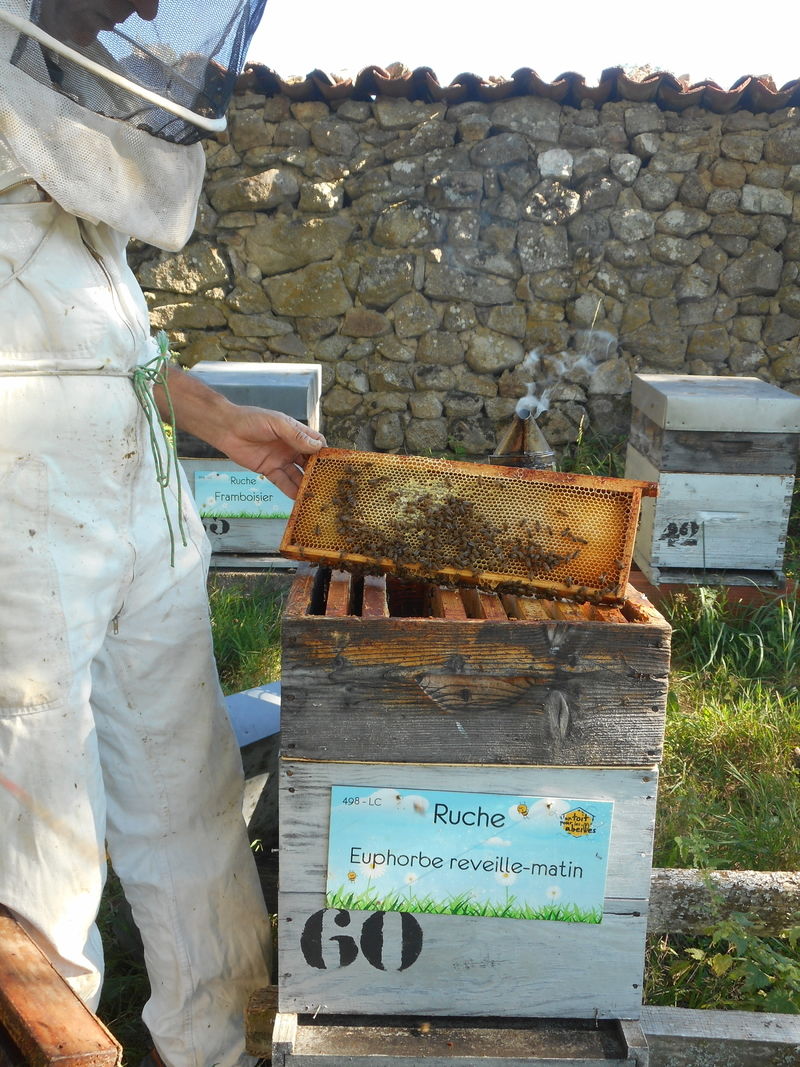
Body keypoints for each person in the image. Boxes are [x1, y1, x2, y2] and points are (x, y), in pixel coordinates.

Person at [0, 2, 325, 1065]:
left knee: (187, 781)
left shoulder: (64, 131)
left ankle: (217, 1044)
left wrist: (218, 418)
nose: (147, 14)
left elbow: (97, 341)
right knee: (40, 819)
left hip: (137, 484)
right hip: (19, 492)